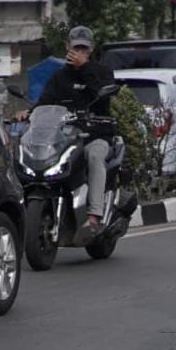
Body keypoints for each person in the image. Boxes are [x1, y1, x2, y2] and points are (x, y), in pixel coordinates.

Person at [37, 25, 116, 239]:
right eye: (76, 48)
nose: (79, 52)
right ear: (67, 48)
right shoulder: (59, 77)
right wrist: (29, 113)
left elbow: (104, 95)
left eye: (84, 49)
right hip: (66, 137)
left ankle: (94, 213)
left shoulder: (101, 72)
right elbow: (45, 103)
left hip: (95, 135)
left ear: (91, 50)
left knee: (94, 156)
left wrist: (85, 68)